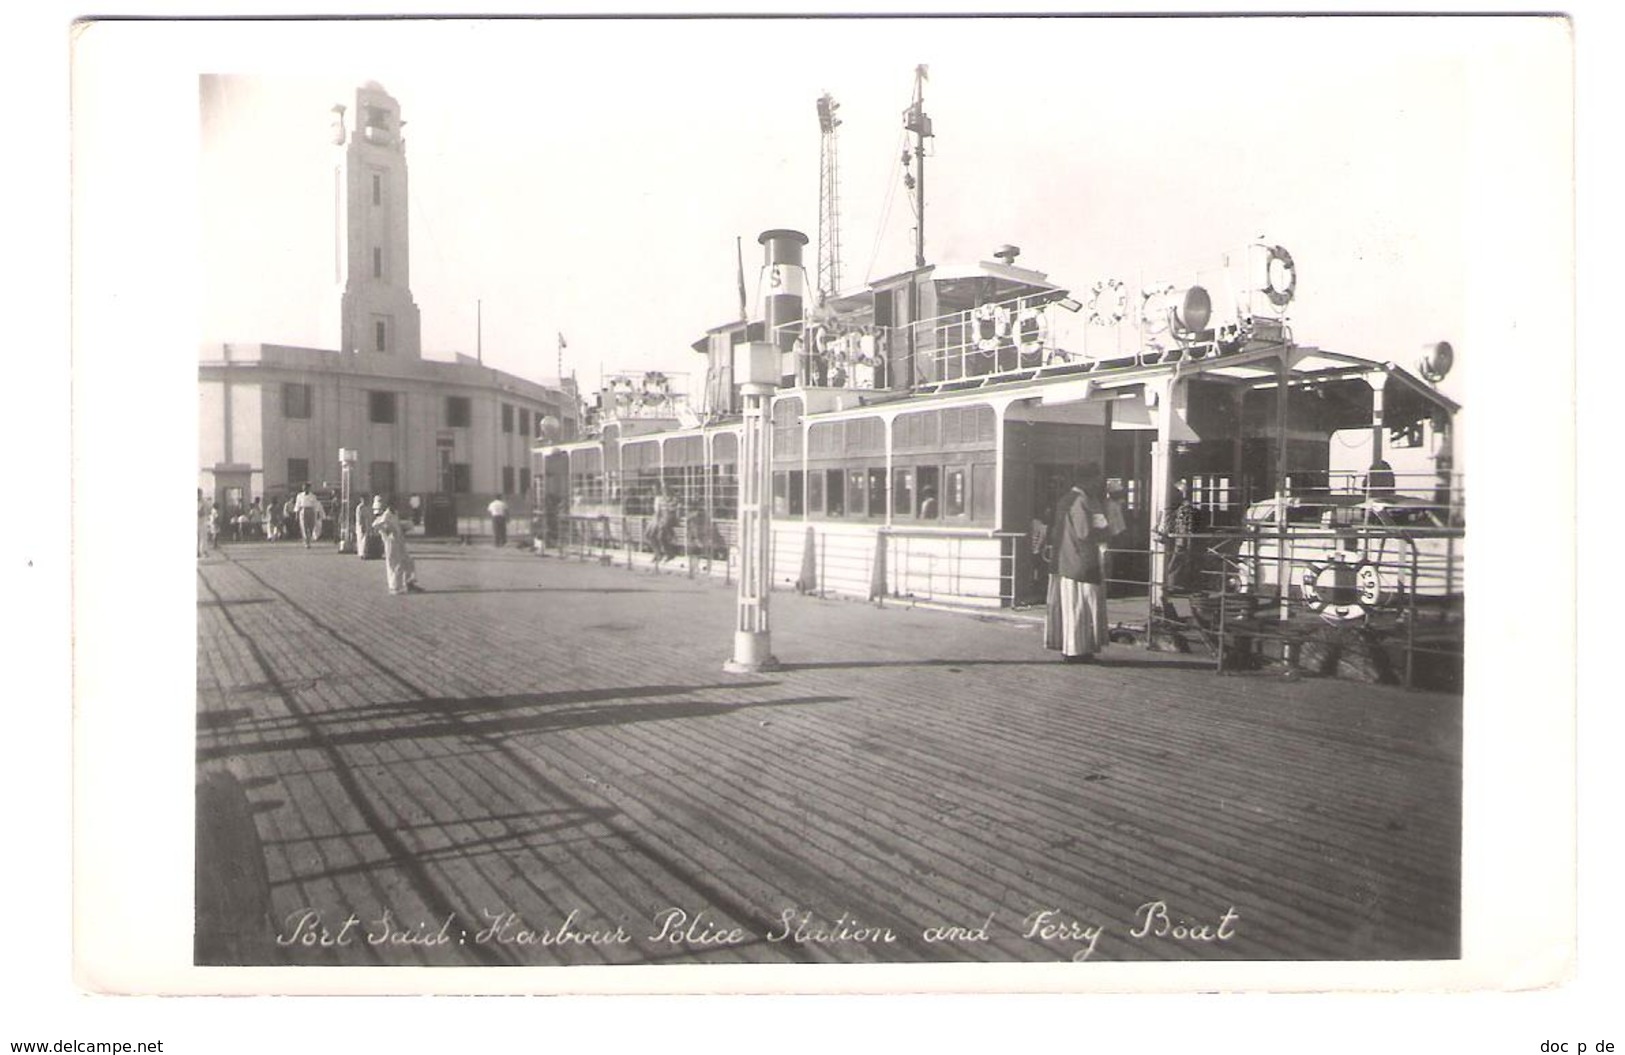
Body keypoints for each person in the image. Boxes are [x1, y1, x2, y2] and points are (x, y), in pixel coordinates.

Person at [1044, 465, 1109, 664]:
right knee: (1083, 606)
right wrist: (1104, 530)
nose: (1098, 484)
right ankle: (1078, 651)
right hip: (1082, 562)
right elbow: (1085, 533)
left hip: (1064, 561)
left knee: (1070, 607)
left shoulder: (1065, 500)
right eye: (1096, 480)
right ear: (1087, 480)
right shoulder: (1082, 501)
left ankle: (1072, 648)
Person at [371, 495, 423, 594]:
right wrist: (386, 530)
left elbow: (397, 525)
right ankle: (394, 587)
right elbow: (375, 525)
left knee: (408, 562)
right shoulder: (387, 515)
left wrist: (405, 527)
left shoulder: (395, 514)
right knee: (395, 565)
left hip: (399, 541)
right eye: (394, 504)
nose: (397, 506)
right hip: (391, 543)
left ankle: (409, 583)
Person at [1157, 478, 1196, 594]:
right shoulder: (1183, 509)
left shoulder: (1175, 508)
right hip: (1179, 539)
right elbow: (1184, 526)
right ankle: (1171, 585)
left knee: (1175, 561)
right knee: (1176, 561)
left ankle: (1171, 584)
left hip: (1175, 537)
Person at [294, 483, 321, 549]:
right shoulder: (299, 496)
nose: (305, 489)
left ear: (309, 488)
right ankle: (306, 542)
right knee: (304, 526)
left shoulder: (313, 496)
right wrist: (296, 514)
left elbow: (316, 505)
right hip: (303, 511)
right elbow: (297, 505)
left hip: (311, 511)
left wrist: (317, 513)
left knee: (311, 526)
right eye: (304, 488)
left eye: (306, 488)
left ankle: (309, 539)